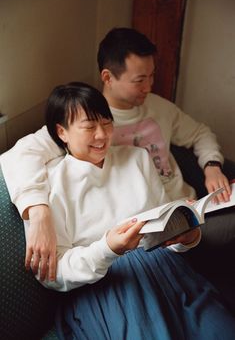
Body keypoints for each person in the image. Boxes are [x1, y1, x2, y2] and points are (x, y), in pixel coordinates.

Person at [0, 27, 233, 281]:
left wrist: (212, 166)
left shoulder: (156, 108)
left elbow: (200, 133)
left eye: (151, 76)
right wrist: (38, 212)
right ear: (108, 77)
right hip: (152, 238)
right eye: (139, 80)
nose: (149, 86)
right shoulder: (81, 120)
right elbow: (21, 153)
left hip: (185, 212)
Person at [26, 81, 235, 339]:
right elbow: (52, 274)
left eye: (106, 123)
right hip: (106, 285)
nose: (102, 135)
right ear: (62, 132)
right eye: (89, 127)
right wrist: (107, 249)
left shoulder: (137, 157)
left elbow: (166, 231)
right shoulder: (50, 186)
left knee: (220, 328)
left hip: (166, 268)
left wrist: (186, 238)